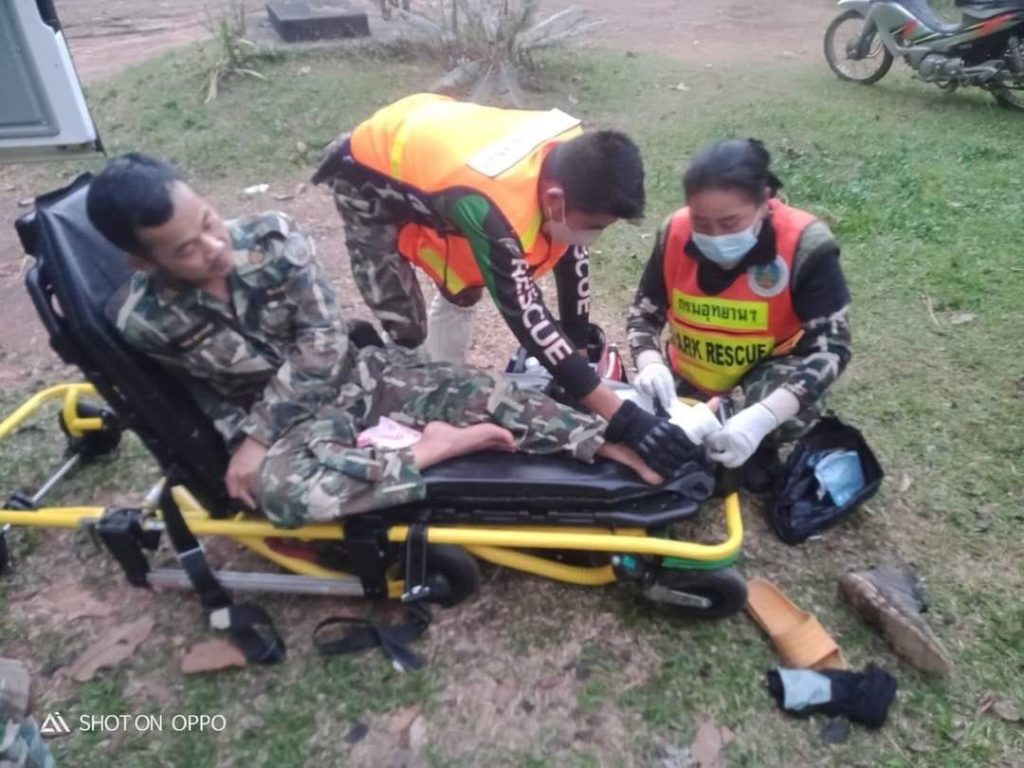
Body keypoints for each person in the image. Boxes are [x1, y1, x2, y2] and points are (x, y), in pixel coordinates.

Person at [88, 154, 672, 527]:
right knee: (283, 497)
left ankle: (595, 443)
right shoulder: (144, 320)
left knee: (476, 390)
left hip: (353, 376)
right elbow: (204, 394)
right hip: (289, 428)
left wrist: (605, 433)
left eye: (209, 222)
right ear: (144, 262)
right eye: (186, 249)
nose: (215, 248)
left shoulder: (272, 239)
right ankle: (430, 452)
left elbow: (322, 342)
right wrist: (247, 444)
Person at [312, 93, 696, 476]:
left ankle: (442, 387)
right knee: (407, 331)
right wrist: (626, 421)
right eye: (594, 227)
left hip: (436, 152)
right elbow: (527, 317)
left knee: (464, 288)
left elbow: (571, 257)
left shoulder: (576, 162)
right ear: (555, 200)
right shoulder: (485, 206)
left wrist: (577, 355)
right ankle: (397, 383)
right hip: (366, 171)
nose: (593, 238)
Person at [626, 139, 852, 487]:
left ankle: (762, 444)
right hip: (692, 368)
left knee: (790, 414)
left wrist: (763, 418)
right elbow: (643, 315)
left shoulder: (805, 243)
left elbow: (832, 348)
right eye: (701, 223)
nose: (715, 236)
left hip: (770, 365)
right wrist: (650, 363)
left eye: (730, 222)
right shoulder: (674, 232)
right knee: (668, 429)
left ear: (764, 202)